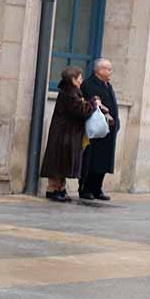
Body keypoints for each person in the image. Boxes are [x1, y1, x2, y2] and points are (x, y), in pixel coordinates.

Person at [39, 66, 107, 202]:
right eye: (80, 78)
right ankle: (53, 189)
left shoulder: (72, 91)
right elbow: (81, 110)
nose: (81, 80)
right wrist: (94, 103)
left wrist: (91, 102)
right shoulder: (68, 93)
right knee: (59, 163)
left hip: (68, 134)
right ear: (73, 79)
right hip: (63, 135)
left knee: (63, 163)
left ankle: (60, 188)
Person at [79, 58, 121, 201]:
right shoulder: (89, 85)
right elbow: (91, 105)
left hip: (108, 131)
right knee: (92, 160)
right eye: (108, 69)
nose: (111, 72)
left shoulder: (107, 85)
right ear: (99, 70)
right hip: (95, 131)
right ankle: (86, 188)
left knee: (104, 161)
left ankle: (97, 188)